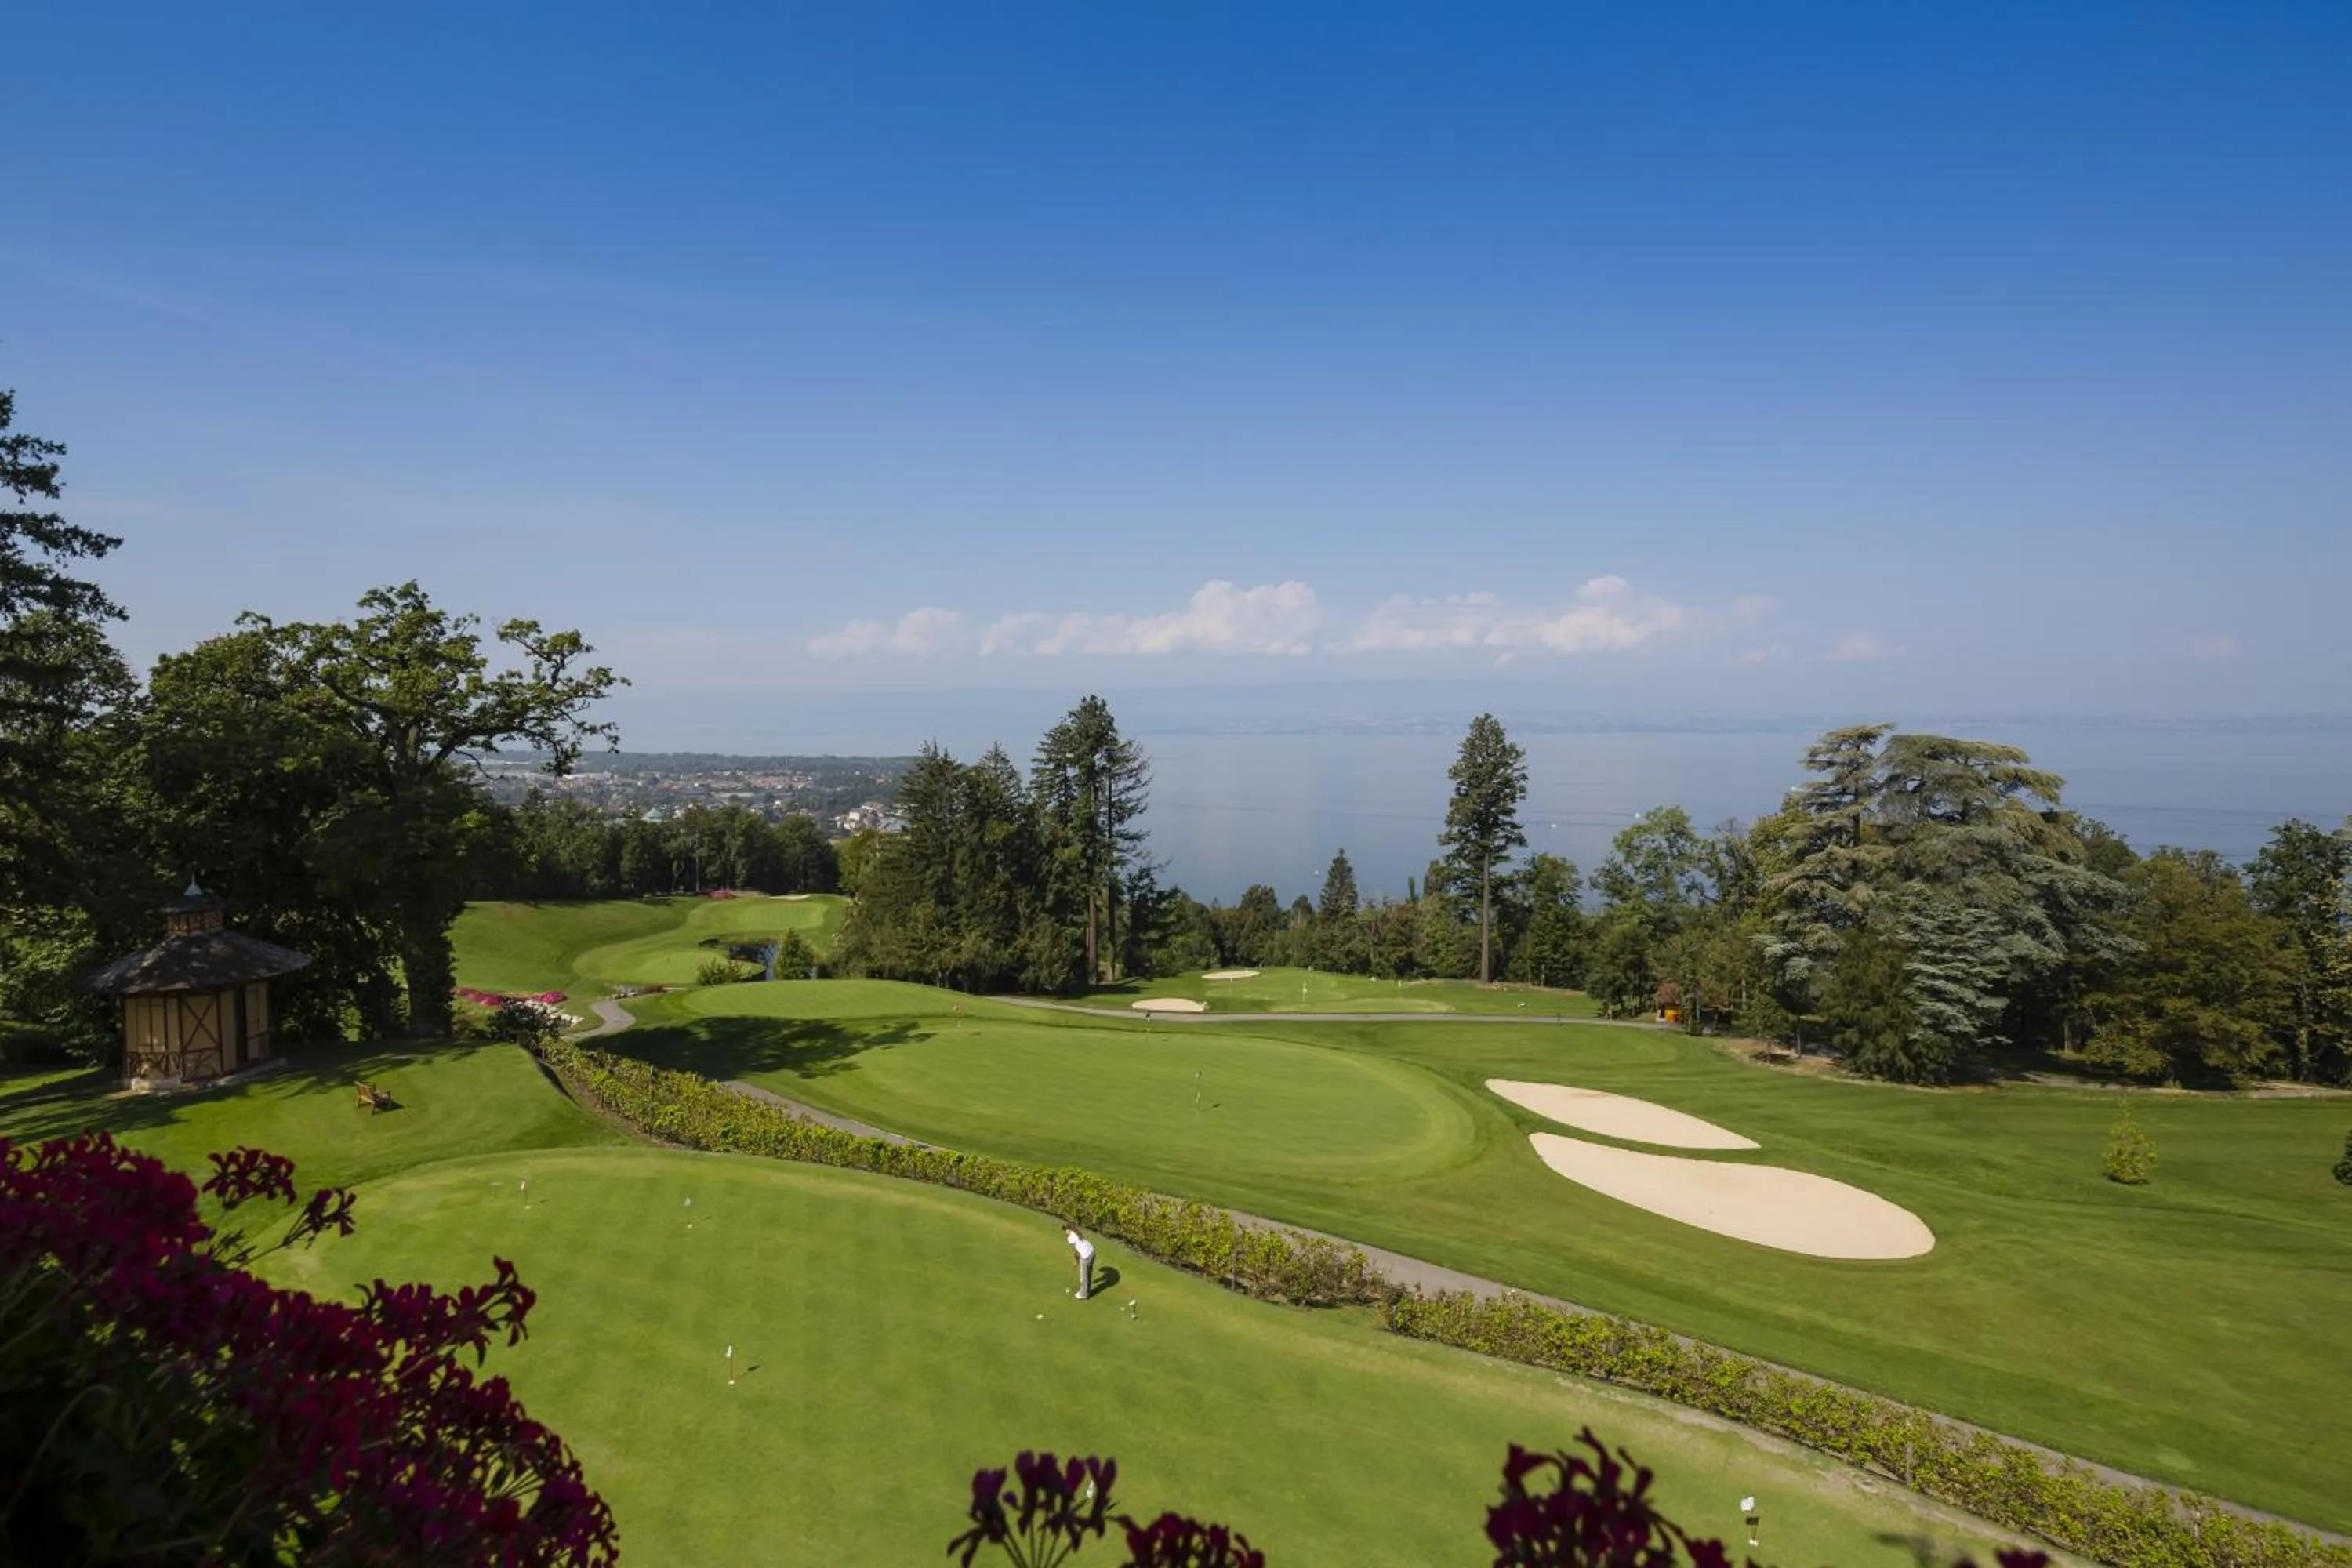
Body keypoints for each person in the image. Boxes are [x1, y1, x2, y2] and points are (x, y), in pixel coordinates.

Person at [1064, 1225, 1095, 1301]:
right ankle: (1088, 1291)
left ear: (1069, 1229)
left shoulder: (1070, 1238)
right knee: (1089, 1273)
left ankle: (1083, 1295)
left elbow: (1075, 1251)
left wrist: (1076, 1261)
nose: (1065, 1232)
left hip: (1086, 1257)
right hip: (1093, 1253)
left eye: (1065, 1230)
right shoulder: (1078, 1232)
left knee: (1083, 1277)